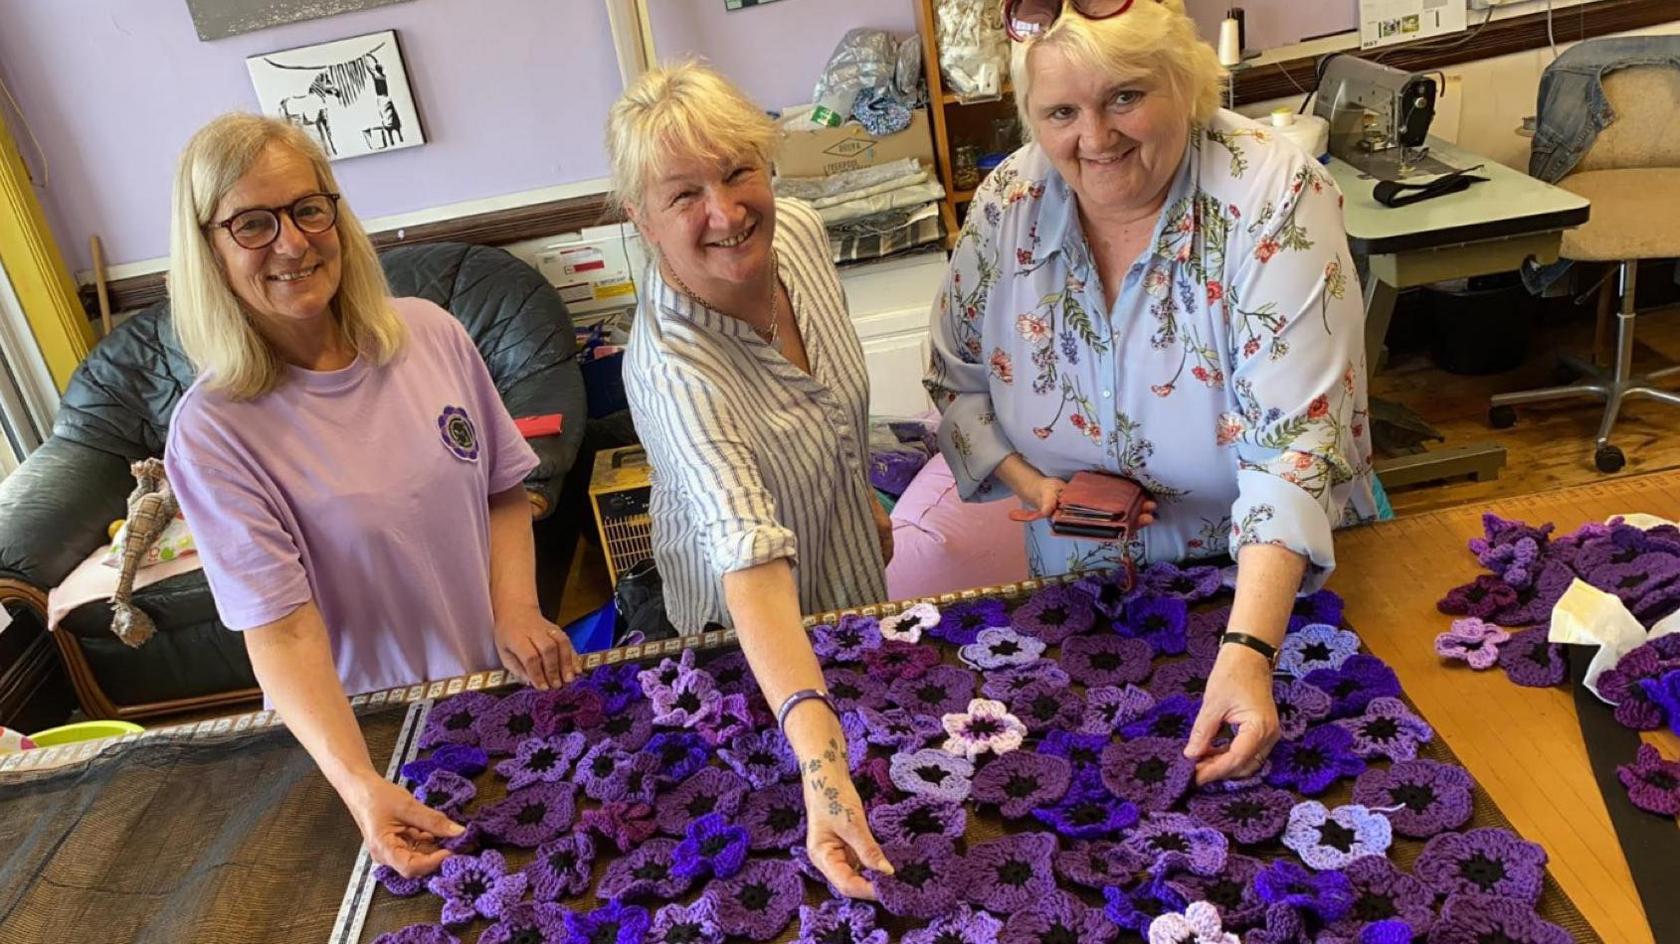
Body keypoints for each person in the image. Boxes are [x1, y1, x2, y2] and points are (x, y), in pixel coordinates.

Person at [925, 0, 1378, 785]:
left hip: (1276, 598)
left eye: (1125, 97)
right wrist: (1033, 483)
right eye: (1061, 111)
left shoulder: (1271, 195)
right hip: (1085, 594)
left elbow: (1293, 448)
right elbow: (956, 379)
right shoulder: (1007, 207)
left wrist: (1247, 651)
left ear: (1187, 84)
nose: (1094, 138)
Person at [163, 113, 578, 878]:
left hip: (502, 692)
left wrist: (516, 609)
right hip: (378, 745)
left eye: (307, 208)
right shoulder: (212, 432)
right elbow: (280, 635)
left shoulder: (431, 334)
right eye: (252, 224)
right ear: (210, 248)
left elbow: (502, 492)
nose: (292, 243)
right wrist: (360, 786)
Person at [607, 60, 894, 898]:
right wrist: (822, 762)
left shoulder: (798, 231)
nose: (726, 213)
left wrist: (861, 494)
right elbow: (750, 558)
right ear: (641, 220)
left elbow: (834, 404)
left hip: (851, 583)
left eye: (738, 172)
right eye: (682, 194)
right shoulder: (672, 369)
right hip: (745, 647)